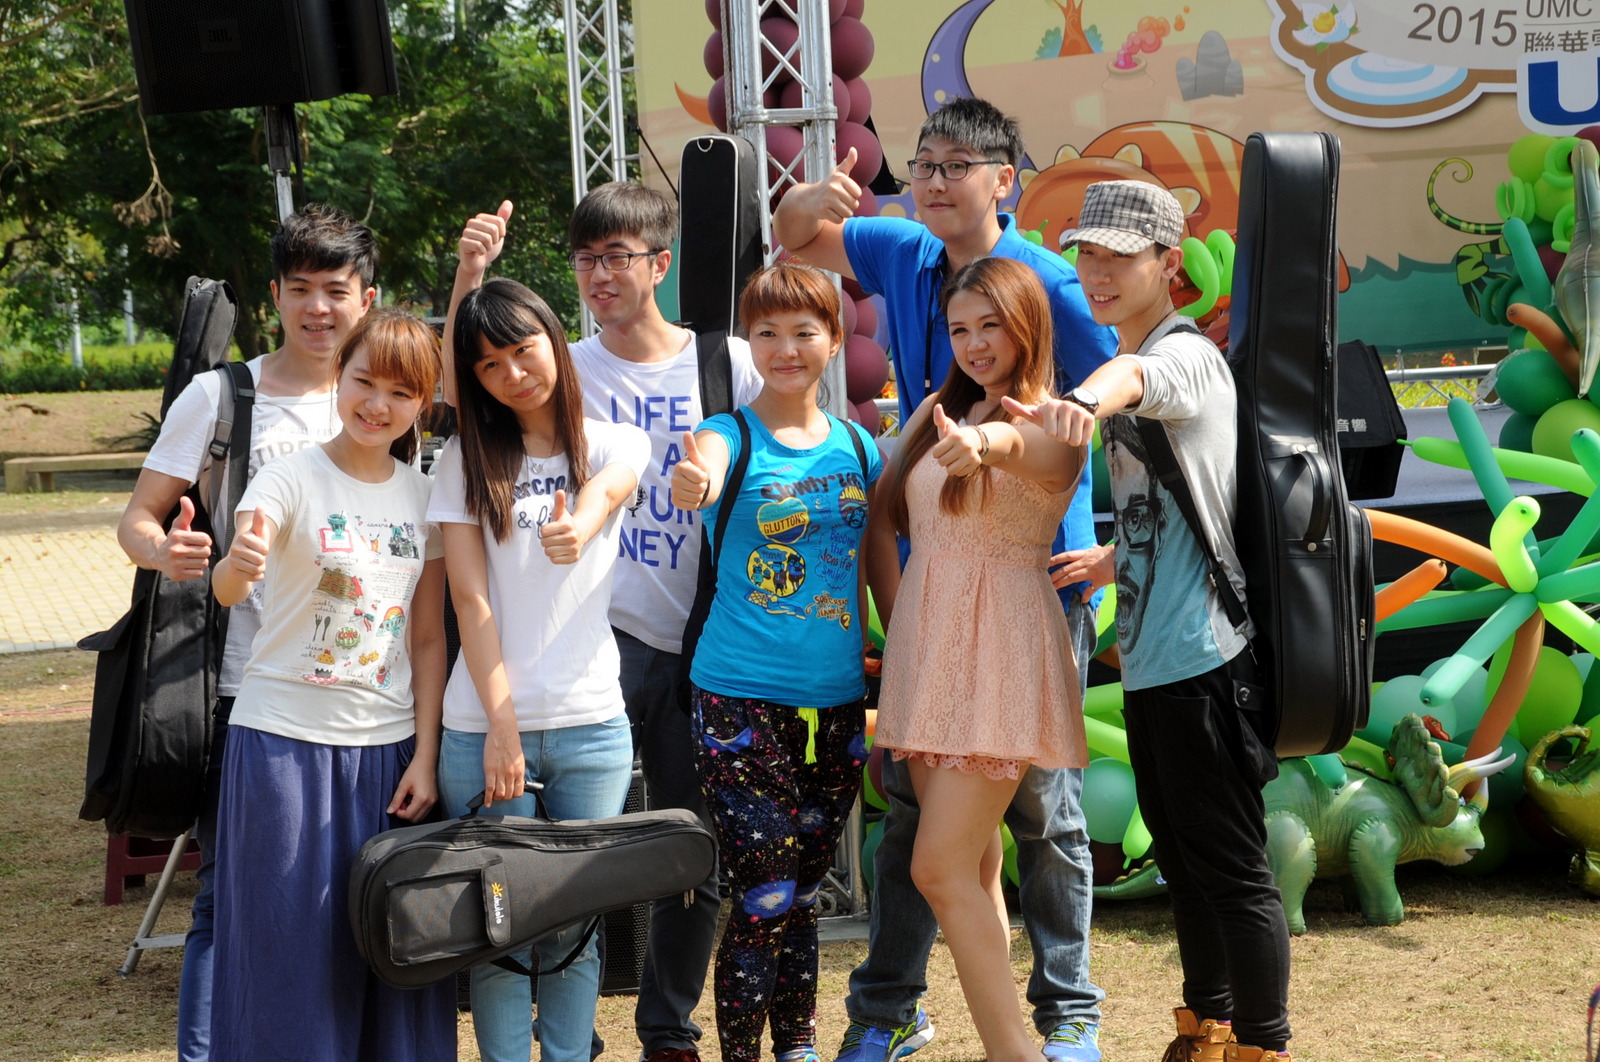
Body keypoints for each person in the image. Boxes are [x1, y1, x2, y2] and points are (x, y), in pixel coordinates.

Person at [773, 96, 1114, 1062]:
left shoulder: (1049, 286)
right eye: (922, 163)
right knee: (933, 843)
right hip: (934, 605)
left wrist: (1119, 549)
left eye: (956, 165)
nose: (932, 180)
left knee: (1043, 821)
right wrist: (813, 196)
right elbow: (795, 236)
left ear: (1004, 180)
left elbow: (1103, 416)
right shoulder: (900, 254)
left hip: (1034, 589)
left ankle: (1065, 1018)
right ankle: (891, 1012)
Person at [444, 185, 762, 1062]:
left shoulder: (726, 361)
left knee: (685, 850)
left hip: (705, 637)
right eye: (585, 259)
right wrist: (471, 274)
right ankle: (571, 1040)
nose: (599, 276)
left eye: (618, 257)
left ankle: (667, 1031)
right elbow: (461, 388)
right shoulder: (558, 364)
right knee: (548, 878)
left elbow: (778, 436)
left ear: (661, 263)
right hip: (597, 640)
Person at [1005, 180, 1294, 1062]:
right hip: (1157, 664)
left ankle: (1263, 1046)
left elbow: (1132, 381)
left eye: (1120, 257)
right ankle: (1205, 1027)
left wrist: (1084, 400)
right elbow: (1174, 497)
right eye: (1087, 255)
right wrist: (1112, 556)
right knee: (1187, 864)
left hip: (1206, 660)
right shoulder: (1137, 350)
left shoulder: (1180, 357)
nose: (1098, 273)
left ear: (1169, 263)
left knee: (1233, 871)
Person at [116, 204, 377, 1062]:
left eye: (335, 290)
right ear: (275, 295)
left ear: (366, 299)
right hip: (246, 691)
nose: (317, 309)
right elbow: (137, 519)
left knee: (351, 895)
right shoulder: (223, 396)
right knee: (227, 898)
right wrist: (168, 552)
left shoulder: (382, 397)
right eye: (300, 289)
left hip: (368, 700)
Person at [207, 308, 454, 1062]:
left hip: (388, 757)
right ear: (338, 377)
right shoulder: (288, 476)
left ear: (423, 403)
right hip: (282, 748)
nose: (378, 404)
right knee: (287, 952)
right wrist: (236, 565)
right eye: (364, 381)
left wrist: (426, 756)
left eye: (401, 393)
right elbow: (228, 585)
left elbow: (427, 637)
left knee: (391, 952)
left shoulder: (424, 497)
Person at [869, 256, 1088, 1062]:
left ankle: (1015, 1055)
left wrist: (983, 442)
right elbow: (883, 510)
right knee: (978, 866)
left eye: (991, 325)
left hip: (999, 646)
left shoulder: (1055, 422)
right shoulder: (937, 409)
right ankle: (1011, 1046)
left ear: (1027, 324)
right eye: (960, 328)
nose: (974, 343)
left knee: (938, 867)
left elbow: (1016, 445)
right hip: (929, 646)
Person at [431, 276, 650, 1062]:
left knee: (572, 930)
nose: (512, 373)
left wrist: (580, 526)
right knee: (498, 933)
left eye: (523, 350)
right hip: (483, 731)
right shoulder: (462, 459)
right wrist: (502, 727)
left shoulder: (617, 439)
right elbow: (469, 600)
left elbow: (607, 491)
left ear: (555, 341)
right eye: (489, 365)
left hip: (593, 727)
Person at [669, 262, 882, 1062]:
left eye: (803, 331)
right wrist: (693, 481)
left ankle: (796, 1044)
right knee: (765, 889)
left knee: (803, 893)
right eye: (767, 333)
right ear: (748, 342)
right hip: (738, 699)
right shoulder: (729, 435)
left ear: (834, 338)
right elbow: (703, 471)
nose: (786, 348)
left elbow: (878, 560)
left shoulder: (859, 445)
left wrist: (898, 659)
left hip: (837, 702)